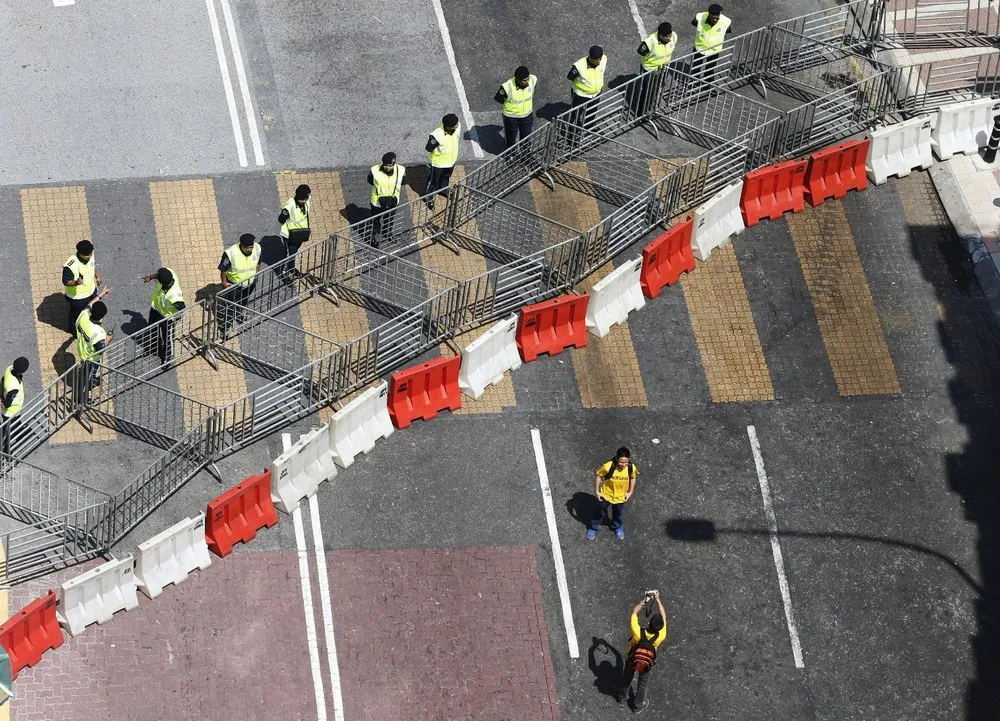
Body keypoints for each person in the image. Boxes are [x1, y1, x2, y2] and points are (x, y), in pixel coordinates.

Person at [617, 591, 668, 714]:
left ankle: (622, 698)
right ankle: (638, 705)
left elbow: (634, 612)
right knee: (642, 683)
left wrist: (644, 601)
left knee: (627, 677)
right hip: (647, 661)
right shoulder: (661, 635)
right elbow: (664, 617)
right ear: (660, 627)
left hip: (632, 658)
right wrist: (658, 600)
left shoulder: (638, 632)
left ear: (649, 623)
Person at [587, 446, 639, 540]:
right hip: (606, 495)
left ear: (629, 460)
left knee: (618, 513)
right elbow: (599, 476)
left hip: (620, 497)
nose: (623, 465)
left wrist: (630, 492)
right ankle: (593, 528)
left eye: (626, 462)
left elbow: (633, 478)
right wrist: (597, 491)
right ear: (616, 458)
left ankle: (617, 527)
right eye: (621, 462)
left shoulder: (631, 468)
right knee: (600, 512)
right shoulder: (608, 466)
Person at [218, 233, 262, 339]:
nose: (251, 248)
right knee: (230, 308)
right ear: (242, 246)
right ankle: (225, 330)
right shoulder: (231, 253)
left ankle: (238, 314)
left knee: (243, 301)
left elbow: (258, 262)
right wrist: (224, 282)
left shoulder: (257, 248)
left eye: (251, 246)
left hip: (250, 283)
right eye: (248, 247)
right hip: (235, 285)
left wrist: (255, 275)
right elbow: (223, 269)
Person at [75, 289, 113, 404]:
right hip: (91, 359)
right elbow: (100, 350)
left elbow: (89, 305)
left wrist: (100, 295)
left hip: (82, 351)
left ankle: (90, 383)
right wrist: (109, 339)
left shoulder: (83, 316)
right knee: (86, 380)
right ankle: (81, 402)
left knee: (87, 376)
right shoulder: (98, 333)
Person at [141, 267, 185, 363]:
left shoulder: (174, 295)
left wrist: (176, 318)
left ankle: (168, 356)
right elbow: (159, 273)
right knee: (152, 329)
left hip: (167, 318)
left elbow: (182, 308)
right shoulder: (169, 274)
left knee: (167, 337)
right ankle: (154, 348)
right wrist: (150, 277)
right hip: (156, 309)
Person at [63, 239, 102, 336]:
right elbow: (66, 281)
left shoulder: (90, 256)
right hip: (78, 297)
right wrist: (76, 282)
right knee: (77, 316)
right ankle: (75, 332)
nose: (90, 256)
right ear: (80, 254)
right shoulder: (71, 265)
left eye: (90, 253)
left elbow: (92, 267)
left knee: (91, 310)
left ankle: (90, 326)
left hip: (91, 291)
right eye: (87, 255)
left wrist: (97, 276)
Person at [367, 152, 406, 248]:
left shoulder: (401, 170)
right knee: (375, 221)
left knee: (389, 220)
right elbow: (370, 181)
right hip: (377, 202)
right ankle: (373, 237)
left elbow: (404, 181)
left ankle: (387, 232)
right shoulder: (374, 170)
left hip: (393, 201)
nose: (388, 168)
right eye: (386, 165)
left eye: (390, 166)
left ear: (394, 164)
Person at [494, 66, 537, 149]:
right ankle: (511, 156)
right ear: (518, 79)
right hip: (511, 118)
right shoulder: (507, 87)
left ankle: (526, 156)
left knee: (526, 138)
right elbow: (499, 99)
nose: (527, 82)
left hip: (527, 116)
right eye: (524, 80)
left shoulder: (533, 80)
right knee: (511, 139)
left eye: (528, 79)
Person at [425, 114, 461, 210]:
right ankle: (429, 198)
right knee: (433, 182)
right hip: (438, 164)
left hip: (451, 161)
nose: (457, 125)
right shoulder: (436, 135)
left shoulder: (457, 127)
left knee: (446, 178)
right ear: (448, 126)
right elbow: (429, 148)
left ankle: (443, 190)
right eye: (455, 125)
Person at [278, 184, 311, 281]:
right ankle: (284, 273)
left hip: (301, 233)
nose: (304, 201)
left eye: (305, 199)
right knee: (289, 254)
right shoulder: (289, 206)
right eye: (302, 200)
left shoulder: (307, 200)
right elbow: (281, 219)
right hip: (290, 235)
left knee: (294, 252)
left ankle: (291, 268)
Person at [691, 4, 732, 82]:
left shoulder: (726, 22)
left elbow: (726, 31)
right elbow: (694, 23)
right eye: (712, 18)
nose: (715, 20)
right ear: (709, 14)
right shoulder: (699, 17)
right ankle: (693, 84)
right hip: (700, 47)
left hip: (714, 50)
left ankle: (707, 86)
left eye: (717, 18)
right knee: (696, 68)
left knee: (710, 69)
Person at [0, 357, 29, 456]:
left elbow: (2, 380)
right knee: (8, 432)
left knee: (11, 426)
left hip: (12, 411)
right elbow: (8, 402)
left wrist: (1, 395)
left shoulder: (9, 368)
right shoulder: (13, 386)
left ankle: (14, 435)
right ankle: (6, 452)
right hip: (11, 412)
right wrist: (3, 405)